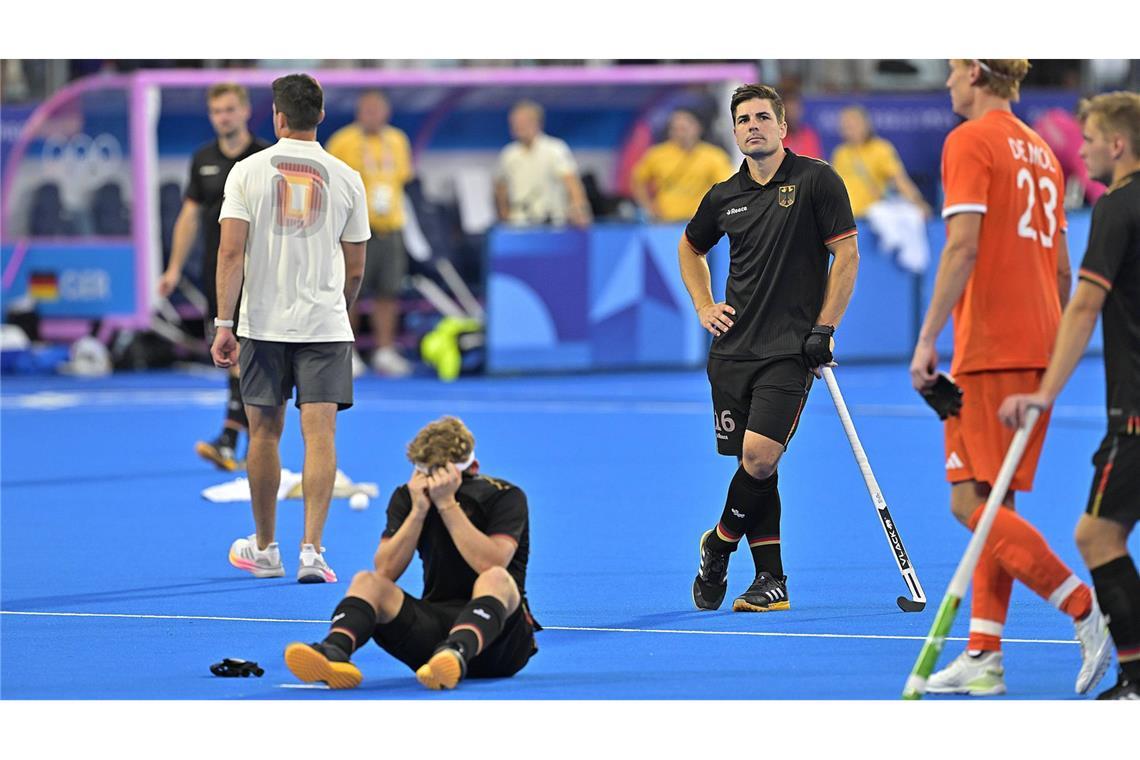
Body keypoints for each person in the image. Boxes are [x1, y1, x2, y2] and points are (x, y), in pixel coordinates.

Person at [909, 59, 1111, 696]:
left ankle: (1084, 607)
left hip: (989, 346)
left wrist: (926, 338)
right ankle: (984, 654)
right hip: (1038, 344)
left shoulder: (969, 139)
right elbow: (1060, 265)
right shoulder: (1043, 152)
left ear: (974, 71)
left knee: (969, 501)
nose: (946, 83)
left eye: (950, 70)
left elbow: (962, 247)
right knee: (999, 499)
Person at [679, 84, 860, 614]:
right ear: (734, 132)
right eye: (742, 119)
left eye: (762, 117)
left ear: (782, 127)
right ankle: (771, 580)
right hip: (732, 351)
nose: (752, 125)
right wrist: (702, 303)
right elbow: (690, 248)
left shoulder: (816, 180)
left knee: (759, 458)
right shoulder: (722, 196)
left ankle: (718, 544)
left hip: (790, 349)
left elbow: (846, 256)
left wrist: (825, 327)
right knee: (756, 471)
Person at [999, 91, 1140, 700]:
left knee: (1096, 536)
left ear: (1117, 144)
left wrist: (1042, 393)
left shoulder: (1115, 208)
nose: (1079, 152)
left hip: (1134, 411)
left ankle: (1134, 677)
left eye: (1087, 142)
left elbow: (1084, 303)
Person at [211, 73, 369, 584]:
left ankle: (265, 548)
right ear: (320, 116)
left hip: (263, 324)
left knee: (264, 433)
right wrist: (339, 309)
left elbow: (231, 253)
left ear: (277, 117)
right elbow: (357, 267)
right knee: (319, 435)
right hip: (324, 323)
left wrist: (223, 323)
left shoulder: (246, 173)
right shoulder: (347, 176)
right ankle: (313, 551)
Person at [283, 416, 538, 691]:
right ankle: (333, 651)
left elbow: (491, 562)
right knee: (367, 581)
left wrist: (447, 504)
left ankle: (455, 653)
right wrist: (418, 512)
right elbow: (386, 570)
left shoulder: (505, 496)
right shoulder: (409, 497)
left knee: (496, 578)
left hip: (500, 642)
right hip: (434, 635)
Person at [157, 83, 271, 471]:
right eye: (216, 111)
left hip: (260, 274)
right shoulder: (202, 159)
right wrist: (173, 268)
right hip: (218, 276)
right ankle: (242, 440)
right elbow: (188, 217)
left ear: (244, 112)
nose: (223, 117)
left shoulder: (265, 157)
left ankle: (235, 439)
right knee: (233, 357)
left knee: (247, 359)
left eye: (229, 109)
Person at [325, 90, 415, 377]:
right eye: (368, 109)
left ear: (386, 113)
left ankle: (385, 350)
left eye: (378, 110)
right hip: (353, 230)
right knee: (351, 291)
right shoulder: (343, 141)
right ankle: (347, 351)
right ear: (359, 112)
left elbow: (402, 178)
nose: (373, 115)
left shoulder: (398, 141)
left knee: (388, 291)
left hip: (390, 227)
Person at [832, 105, 932, 273]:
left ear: (866, 124)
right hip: (845, 221)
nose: (848, 129)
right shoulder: (840, 153)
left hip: (868, 221)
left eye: (853, 124)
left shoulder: (881, 149)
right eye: (845, 125)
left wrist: (919, 202)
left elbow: (900, 180)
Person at [494, 100, 592, 227]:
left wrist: (579, 208)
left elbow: (571, 182)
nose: (517, 127)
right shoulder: (508, 154)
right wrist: (504, 214)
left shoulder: (555, 149)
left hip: (552, 222)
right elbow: (500, 187)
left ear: (536, 123)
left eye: (522, 122)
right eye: (514, 123)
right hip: (518, 223)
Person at [630, 108, 734, 222]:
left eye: (684, 128)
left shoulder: (714, 156)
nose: (680, 133)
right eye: (675, 129)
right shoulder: (657, 154)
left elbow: (727, 187)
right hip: (664, 222)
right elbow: (638, 180)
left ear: (698, 128)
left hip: (700, 222)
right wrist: (648, 207)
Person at [780, 84, 823, 160]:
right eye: (789, 111)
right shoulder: (776, 139)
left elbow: (817, 167)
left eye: (795, 109)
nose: (792, 115)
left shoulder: (809, 136)